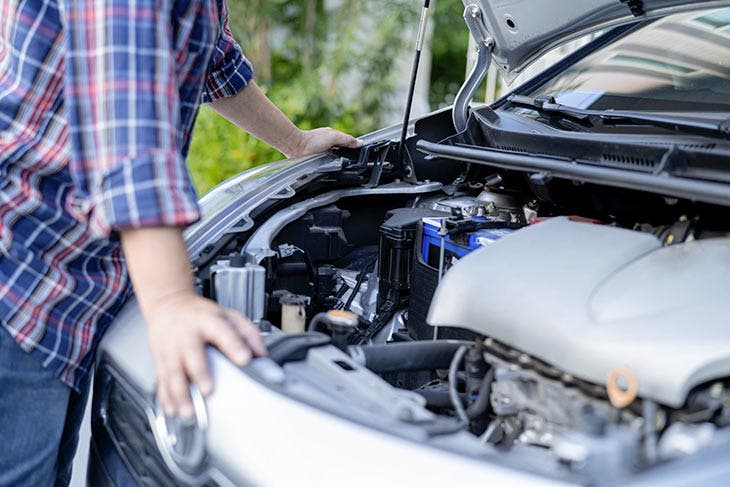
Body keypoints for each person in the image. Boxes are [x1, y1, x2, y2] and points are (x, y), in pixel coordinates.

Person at [0, 0, 362, 483]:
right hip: (21, 273)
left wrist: (294, 143)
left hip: (74, 284)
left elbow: (214, 62)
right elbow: (129, 124)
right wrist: (170, 300)